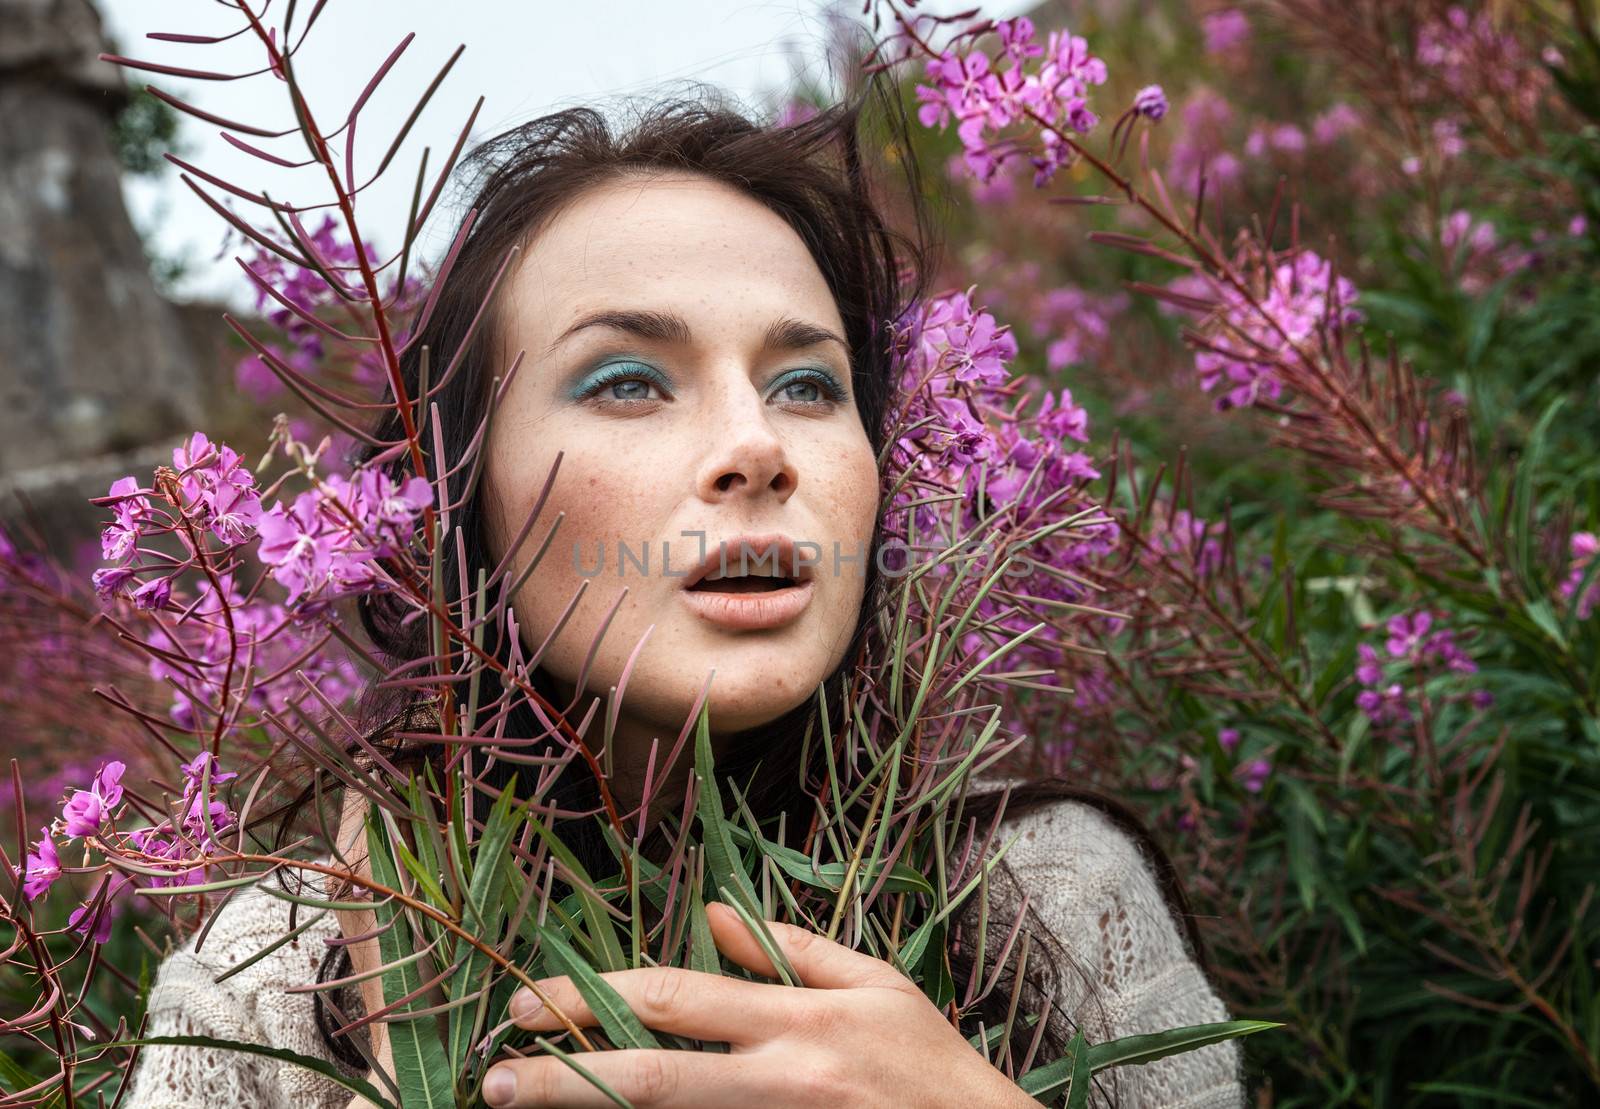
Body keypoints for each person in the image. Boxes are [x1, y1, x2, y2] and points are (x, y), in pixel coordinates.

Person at [122, 81, 1245, 1109]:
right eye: (626, 381)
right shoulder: (266, 983)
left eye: (808, 382)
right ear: (452, 492)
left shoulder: (1042, 892)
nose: (758, 448)